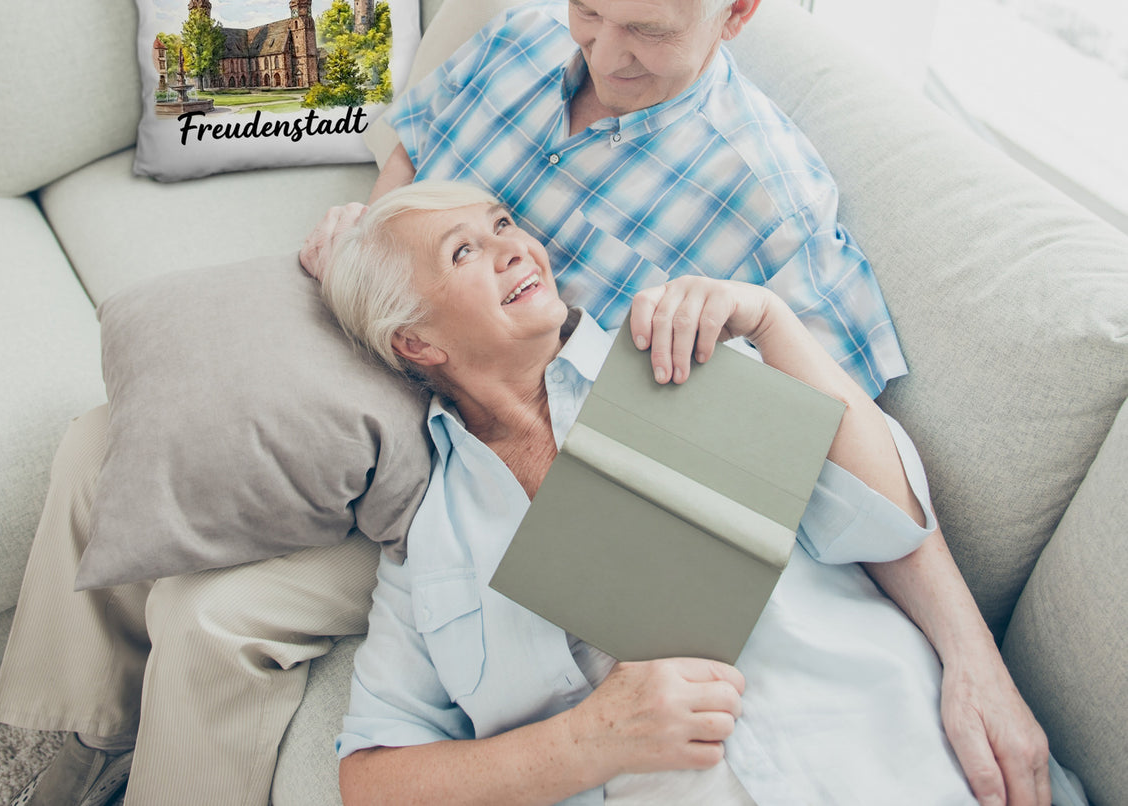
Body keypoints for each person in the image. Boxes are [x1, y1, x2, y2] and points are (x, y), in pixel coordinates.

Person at [302, 0, 1051, 805]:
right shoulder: (522, 43)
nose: (603, 54)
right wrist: (376, 247)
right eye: (588, 10)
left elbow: (858, 477)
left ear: (736, 12)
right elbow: (415, 141)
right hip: (408, 428)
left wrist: (972, 661)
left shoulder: (746, 249)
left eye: (646, 30)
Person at [321, 181, 1075, 806]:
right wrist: (586, 742)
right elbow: (372, 779)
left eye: (503, 224)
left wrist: (773, 323)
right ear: (416, 342)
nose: (515, 247)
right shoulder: (430, 544)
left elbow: (887, 521)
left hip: (900, 759)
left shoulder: (676, 354)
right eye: (464, 251)